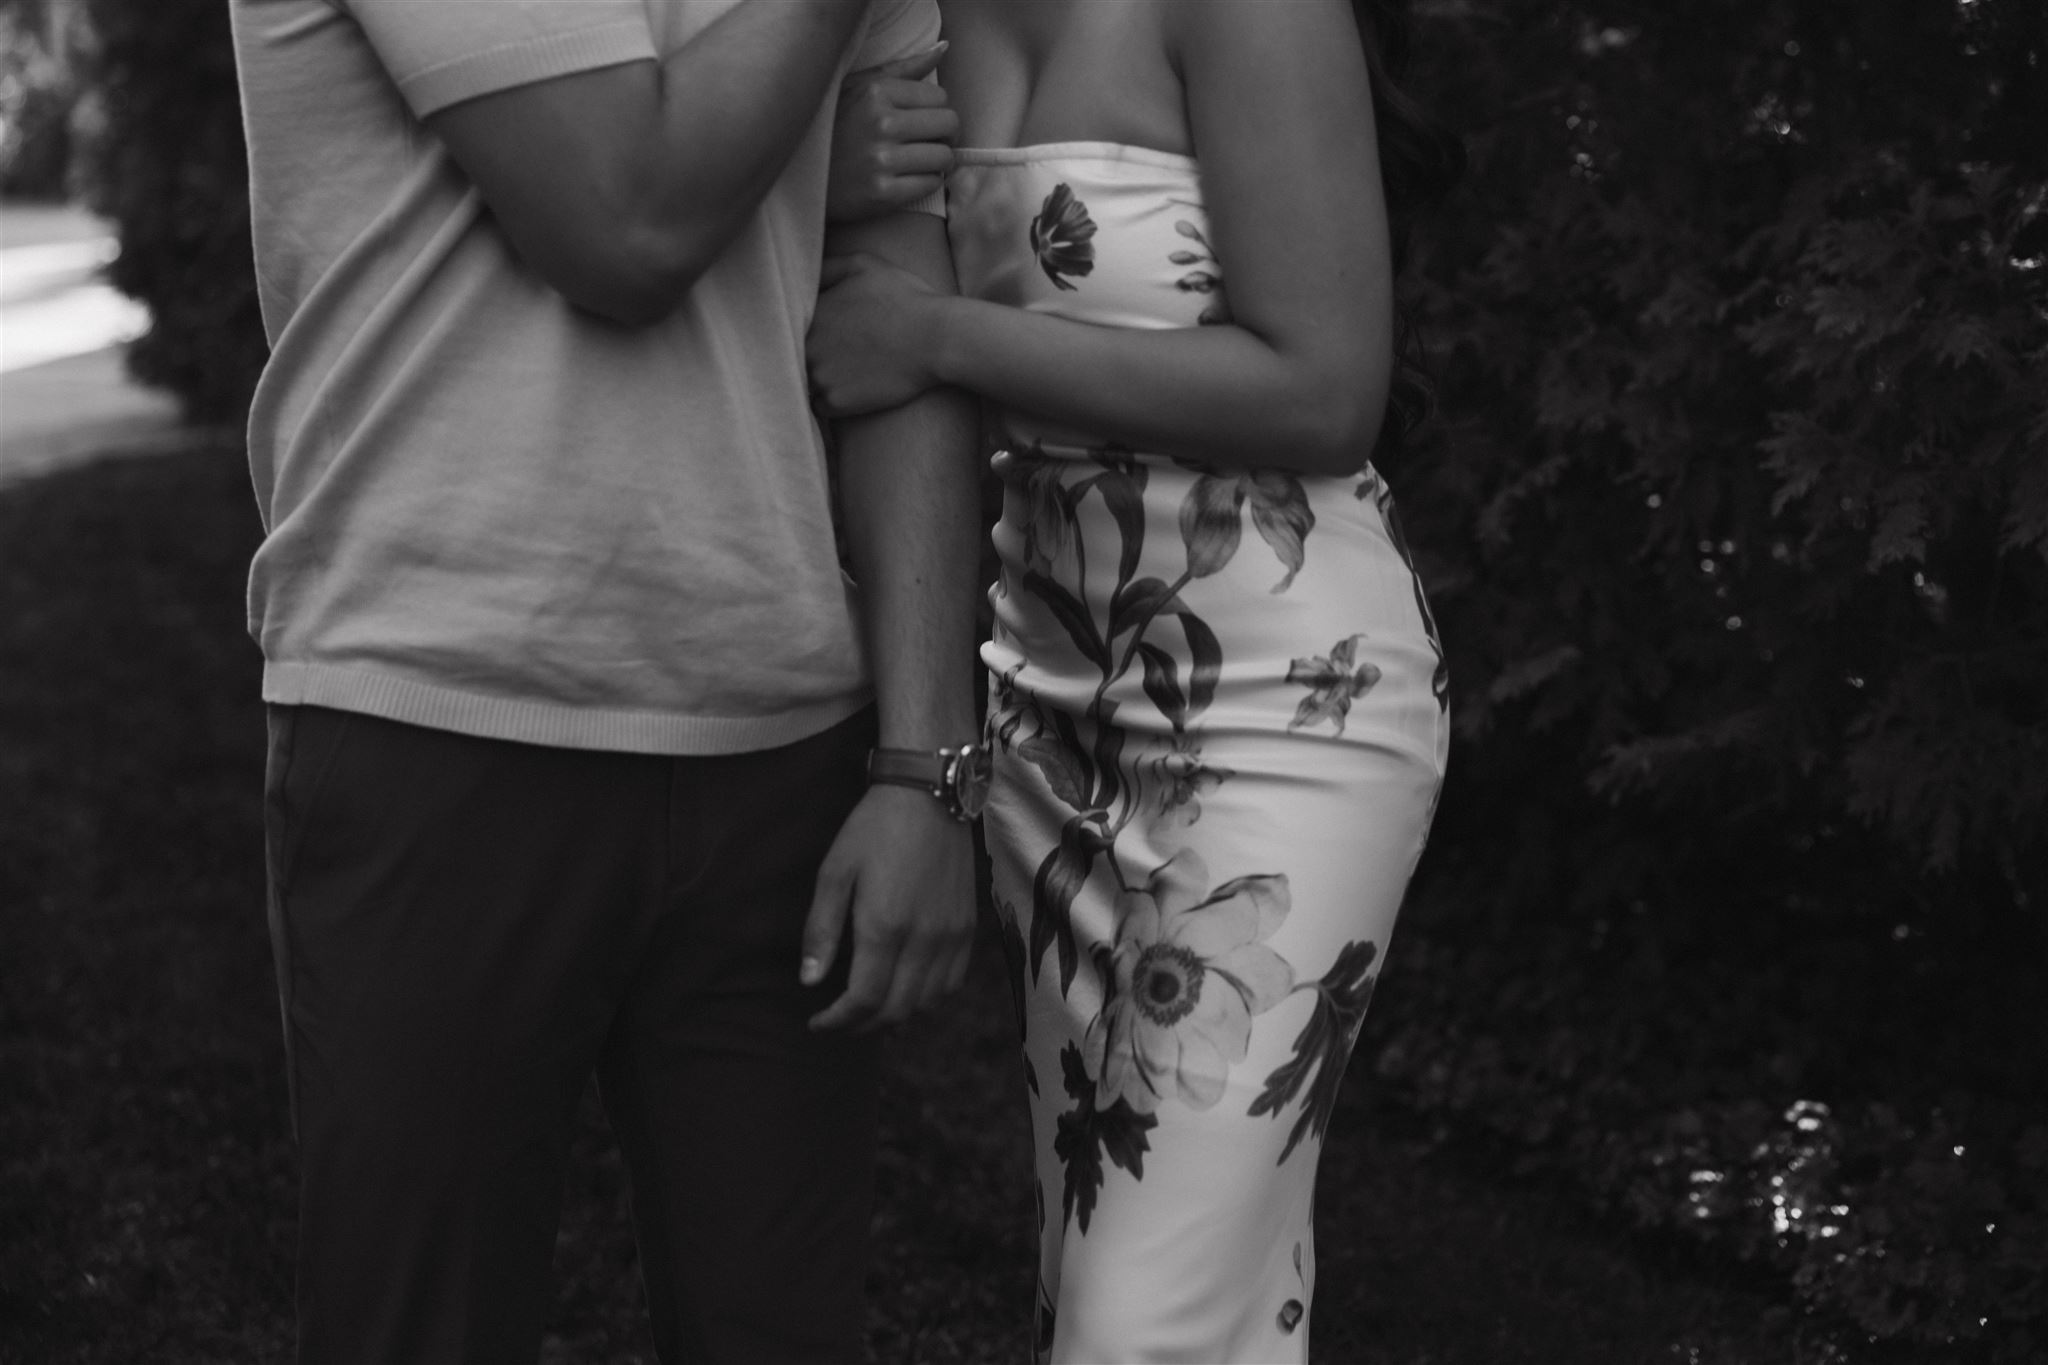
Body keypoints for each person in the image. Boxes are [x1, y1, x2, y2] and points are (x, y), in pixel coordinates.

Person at [227, 2, 984, 1360]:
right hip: (440, 715)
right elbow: (622, 218)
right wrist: (803, 158)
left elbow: (899, 322)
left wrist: (929, 761)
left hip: (784, 744)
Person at [812, 0, 1460, 1358]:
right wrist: (822, 166)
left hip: (1290, 704)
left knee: (1140, 1323)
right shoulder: (915, 17)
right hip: (1050, 723)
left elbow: (1328, 386)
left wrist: (945, 338)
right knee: (1129, 1277)